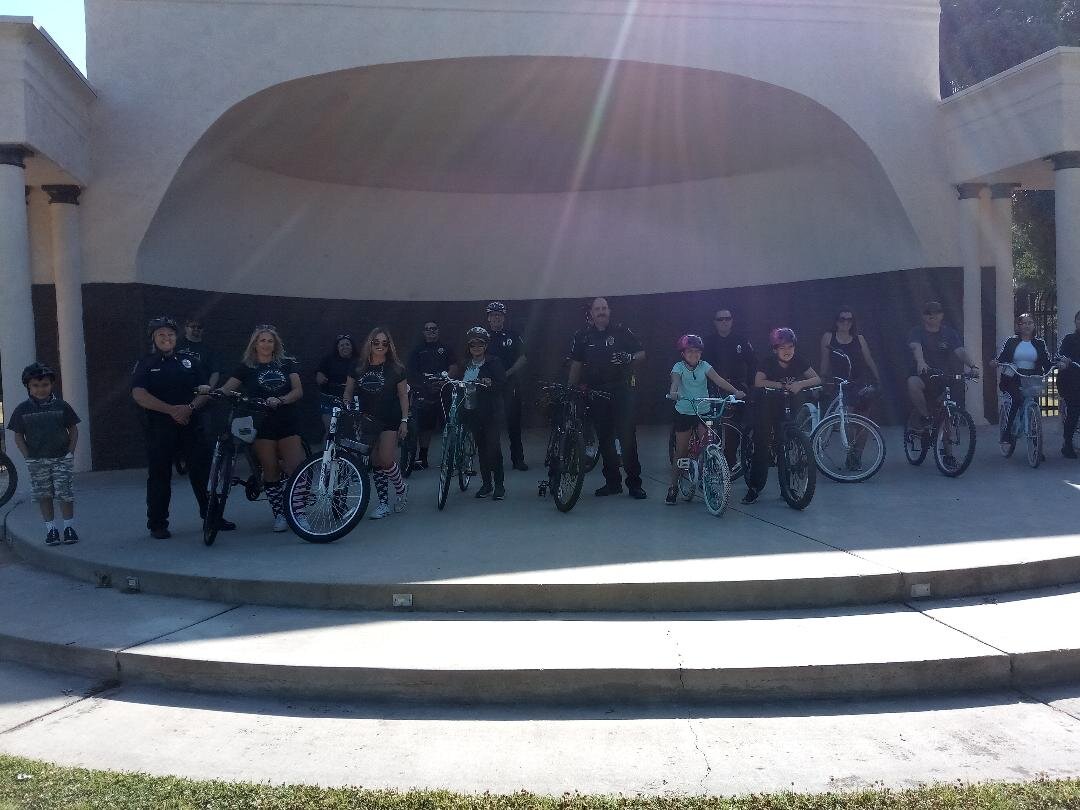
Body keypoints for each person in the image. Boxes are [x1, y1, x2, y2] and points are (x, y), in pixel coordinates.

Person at [132, 316, 226, 539]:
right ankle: (157, 524)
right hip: (159, 427)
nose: (167, 338)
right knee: (159, 475)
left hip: (191, 423)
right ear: (153, 338)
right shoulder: (145, 363)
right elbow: (139, 395)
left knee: (202, 472)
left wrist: (189, 408)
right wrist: (171, 410)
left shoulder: (189, 361)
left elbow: (204, 390)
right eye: (161, 335)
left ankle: (212, 516)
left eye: (171, 335)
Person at [215, 325, 305, 532]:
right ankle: (280, 514)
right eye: (262, 340)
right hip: (261, 425)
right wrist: (212, 391)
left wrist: (281, 400)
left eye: (270, 341)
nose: (266, 344)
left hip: (286, 421)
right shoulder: (246, 367)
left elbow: (298, 391)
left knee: (296, 468)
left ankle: (298, 514)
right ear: (255, 344)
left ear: (276, 344)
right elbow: (227, 388)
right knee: (270, 470)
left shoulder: (287, 364)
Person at [568, 297, 647, 499]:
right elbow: (576, 364)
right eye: (597, 309)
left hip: (622, 392)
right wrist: (571, 389)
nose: (601, 311)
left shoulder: (621, 331)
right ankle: (613, 483)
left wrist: (629, 358)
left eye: (604, 308)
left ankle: (634, 484)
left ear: (609, 311)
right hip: (596, 393)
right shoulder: (582, 335)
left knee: (627, 438)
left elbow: (642, 353)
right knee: (605, 440)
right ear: (592, 313)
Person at [743, 328, 821, 505]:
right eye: (782, 347)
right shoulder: (768, 362)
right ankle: (754, 488)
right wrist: (781, 385)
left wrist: (800, 384)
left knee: (785, 444)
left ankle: (786, 487)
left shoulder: (799, 360)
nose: (787, 351)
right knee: (762, 444)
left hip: (787, 405)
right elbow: (758, 381)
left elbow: (816, 379)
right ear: (774, 349)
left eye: (790, 346)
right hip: (766, 404)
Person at [665, 335, 745, 506]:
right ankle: (673, 487)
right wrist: (674, 392)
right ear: (683, 353)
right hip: (685, 412)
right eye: (690, 351)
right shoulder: (678, 367)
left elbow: (718, 380)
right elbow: (675, 381)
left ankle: (705, 475)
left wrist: (735, 391)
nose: (694, 354)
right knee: (681, 451)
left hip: (703, 411)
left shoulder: (704, 366)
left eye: (697, 351)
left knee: (708, 445)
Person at [7, 363, 81, 545]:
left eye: (45, 385)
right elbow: (18, 436)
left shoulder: (62, 405)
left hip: (61, 458)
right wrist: (28, 456)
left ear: (51, 385)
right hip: (38, 460)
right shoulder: (22, 410)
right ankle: (51, 530)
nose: (41, 389)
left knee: (65, 493)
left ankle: (69, 527)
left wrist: (70, 452)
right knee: (44, 494)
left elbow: (73, 428)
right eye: (36, 386)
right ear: (28, 387)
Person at [343, 327, 410, 519]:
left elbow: (403, 396)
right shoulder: (357, 366)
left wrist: (404, 420)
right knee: (375, 462)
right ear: (369, 343)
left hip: (390, 418)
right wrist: (347, 406)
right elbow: (348, 391)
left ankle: (400, 487)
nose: (380, 346)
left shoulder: (396, 368)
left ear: (389, 346)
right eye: (376, 342)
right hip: (365, 419)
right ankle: (383, 503)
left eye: (384, 343)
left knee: (386, 459)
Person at [456, 326, 508, 500]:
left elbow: (502, 383)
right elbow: (457, 382)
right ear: (468, 346)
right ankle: (487, 484)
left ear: (486, 346)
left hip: (491, 412)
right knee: (482, 450)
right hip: (472, 412)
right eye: (473, 344)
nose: (476, 347)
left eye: (480, 344)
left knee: (494, 448)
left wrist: (490, 382)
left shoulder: (494, 362)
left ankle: (499, 485)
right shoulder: (464, 363)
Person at [906, 300, 978, 425]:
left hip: (943, 376)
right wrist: (921, 362)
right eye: (928, 313)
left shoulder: (949, 333)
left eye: (936, 312)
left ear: (942, 315)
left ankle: (946, 439)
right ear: (923, 316)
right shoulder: (917, 332)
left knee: (945, 412)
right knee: (912, 383)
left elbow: (960, 351)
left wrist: (973, 366)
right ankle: (925, 417)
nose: (932, 315)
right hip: (924, 375)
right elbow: (915, 346)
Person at [702, 307, 755, 470]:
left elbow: (753, 364)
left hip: (736, 388)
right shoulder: (707, 342)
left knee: (734, 426)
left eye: (727, 318)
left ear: (732, 321)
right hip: (712, 388)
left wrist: (751, 387)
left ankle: (730, 462)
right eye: (720, 319)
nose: (724, 322)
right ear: (714, 322)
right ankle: (712, 462)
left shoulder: (741, 340)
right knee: (712, 425)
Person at [993, 313, 1052, 454]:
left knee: (1034, 406)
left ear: (1034, 325)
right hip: (1013, 377)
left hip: (1032, 377)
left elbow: (1046, 361)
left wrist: (1056, 366)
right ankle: (1007, 434)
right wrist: (996, 362)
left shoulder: (1039, 343)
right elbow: (1002, 358)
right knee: (1016, 399)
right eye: (1024, 323)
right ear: (1018, 326)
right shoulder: (1011, 342)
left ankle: (1037, 449)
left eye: (1030, 323)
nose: (1027, 325)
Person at [406, 321, 459, 470]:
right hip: (424, 393)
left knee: (449, 425)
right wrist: (423, 384)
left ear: (438, 331)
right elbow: (411, 371)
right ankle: (422, 458)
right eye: (427, 329)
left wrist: (444, 380)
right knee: (425, 428)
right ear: (424, 332)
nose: (431, 331)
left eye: (434, 329)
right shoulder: (417, 350)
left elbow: (454, 367)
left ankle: (451, 459)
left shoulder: (446, 348)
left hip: (444, 392)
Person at [485, 302, 528, 471]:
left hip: (510, 384)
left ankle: (518, 460)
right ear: (488, 318)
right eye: (493, 315)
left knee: (514, 423)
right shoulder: (483, 337)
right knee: (489, 424)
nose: (496, 317)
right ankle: (492, 461)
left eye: (499, 315)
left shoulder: (513, 335)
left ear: (503, 317)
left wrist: (507, 373)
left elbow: (523, 357)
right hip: (488, 386)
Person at [819, 306, 882, 415]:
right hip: (838, 383)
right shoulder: (828, 337)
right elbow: (824, 361)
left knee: (864, 407)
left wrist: (877, 379)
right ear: (836, 321)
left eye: (849, 320)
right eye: (842, 319)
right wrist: (821, 381)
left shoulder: (859, 339)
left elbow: (869, 360)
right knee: (845, 411)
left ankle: (862, 430)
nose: (846, 323)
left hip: (858, 381)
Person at [315, 333, 356, 435]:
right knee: (331, 430)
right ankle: (328, 450)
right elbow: (319, 375)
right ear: (337, 348)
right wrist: (320, 378)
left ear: (352, 346)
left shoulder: (359, 361)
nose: (345, 347)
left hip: (353, 400)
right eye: (341, 345)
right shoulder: (328, 360)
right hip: (330, 399)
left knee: (351, 431)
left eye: (347, 344)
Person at [1058, 309, 1080, 458]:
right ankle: (1067, 443)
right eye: (1079, 319)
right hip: (1072, 380)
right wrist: (1065, 361)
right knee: (1074, 411)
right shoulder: (1069, 339)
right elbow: (1061, 354)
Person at [176, 316, 221, 388]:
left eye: (199, 327)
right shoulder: (176, 345)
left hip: (198, 391)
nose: (196, 329)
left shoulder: (209, 350)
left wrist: (208, 390)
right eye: (193, 326)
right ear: (186, 328)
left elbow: (215, 372)